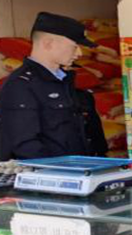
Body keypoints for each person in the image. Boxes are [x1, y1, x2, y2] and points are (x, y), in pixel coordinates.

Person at [0, 12, 101, 160]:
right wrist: (58, 171)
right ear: (48, 43)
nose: (79, 53)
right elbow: (24, 144)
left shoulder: (64, 81)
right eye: (74, 46)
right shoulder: (21, 85)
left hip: (79, 168)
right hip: (52, 172)